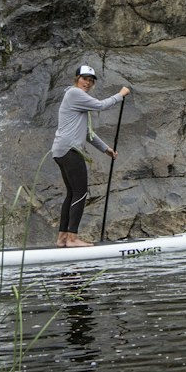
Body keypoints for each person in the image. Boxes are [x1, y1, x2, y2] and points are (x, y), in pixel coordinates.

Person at [51, 64, 130, 248]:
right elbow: (100, 105)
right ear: (76, 78)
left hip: (62, 150)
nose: (88, 82)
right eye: (84, 78)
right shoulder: (74, 93)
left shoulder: (78, 100)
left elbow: (87, 133)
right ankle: (72, 239)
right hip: (70, 151)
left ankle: (62, 238)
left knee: (72, 193)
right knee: (80, 193)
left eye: (91, 80)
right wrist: (121, 94)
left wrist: (106, 149)